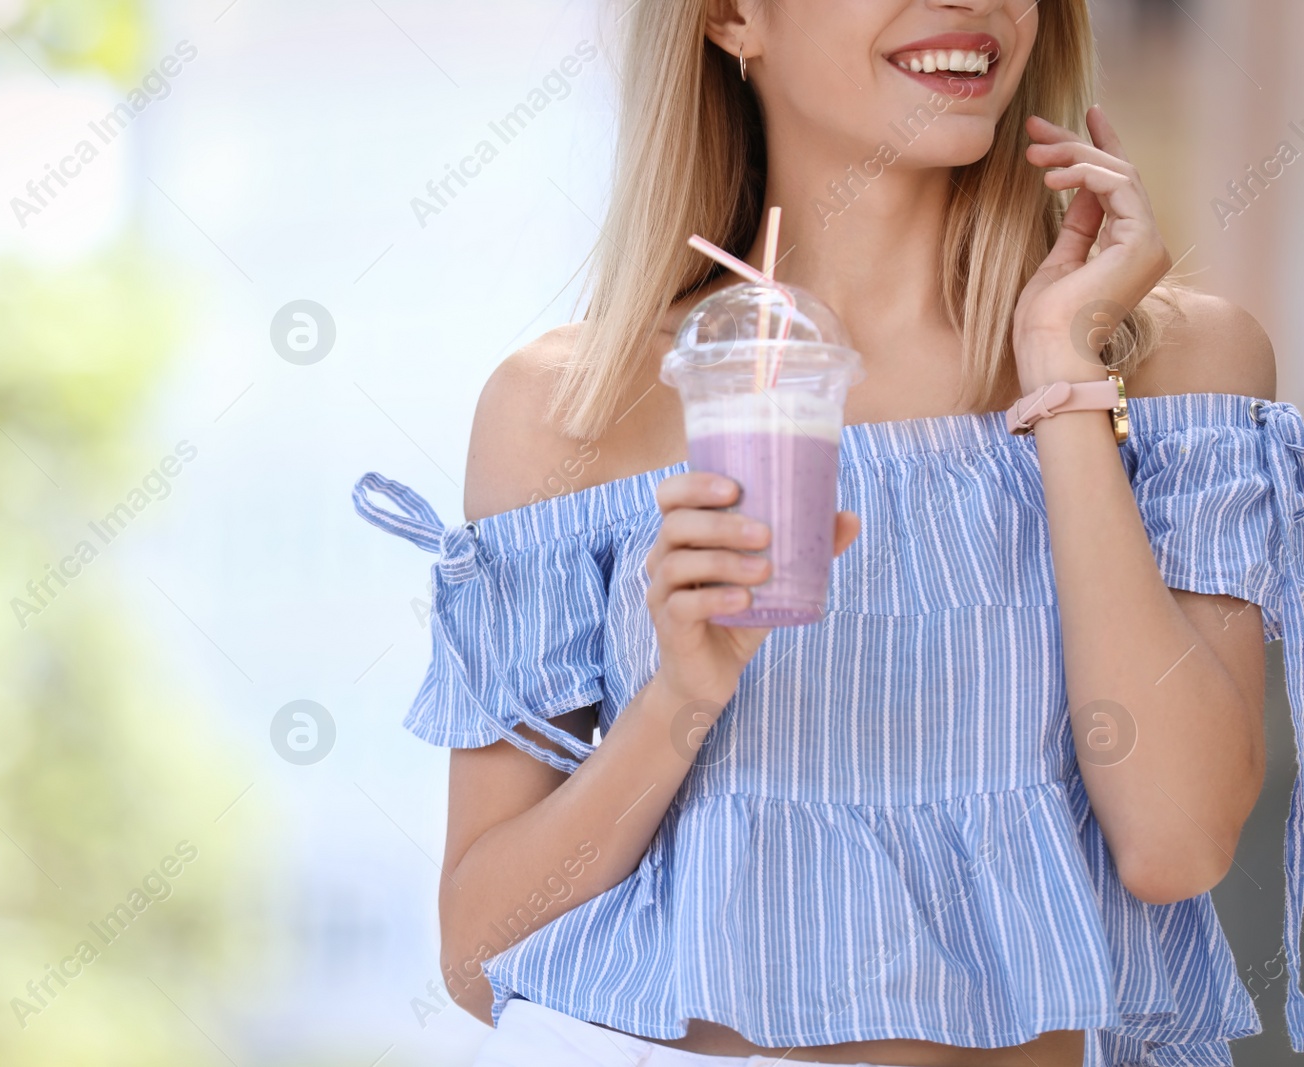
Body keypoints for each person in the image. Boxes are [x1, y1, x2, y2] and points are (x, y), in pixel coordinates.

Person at [352, 1, 1304, 1064]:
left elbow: (1176, 842)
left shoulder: (1174, 368)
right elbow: (483, 954)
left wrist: (1063, 379)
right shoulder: (572, 411)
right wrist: (681, 697)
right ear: (730, 17)